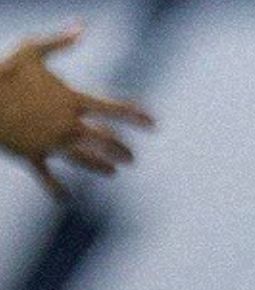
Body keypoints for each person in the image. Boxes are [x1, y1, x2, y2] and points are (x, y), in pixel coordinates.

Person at [0, 25, 152, 200]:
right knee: (95, 141)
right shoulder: (23, 57)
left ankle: (112, 154)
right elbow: (56, 43)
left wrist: (51, 183)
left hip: (62, 121)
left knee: (96, 139)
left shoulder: (23, 58)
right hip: (58, 127)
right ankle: (112, 154)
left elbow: (36, 161)